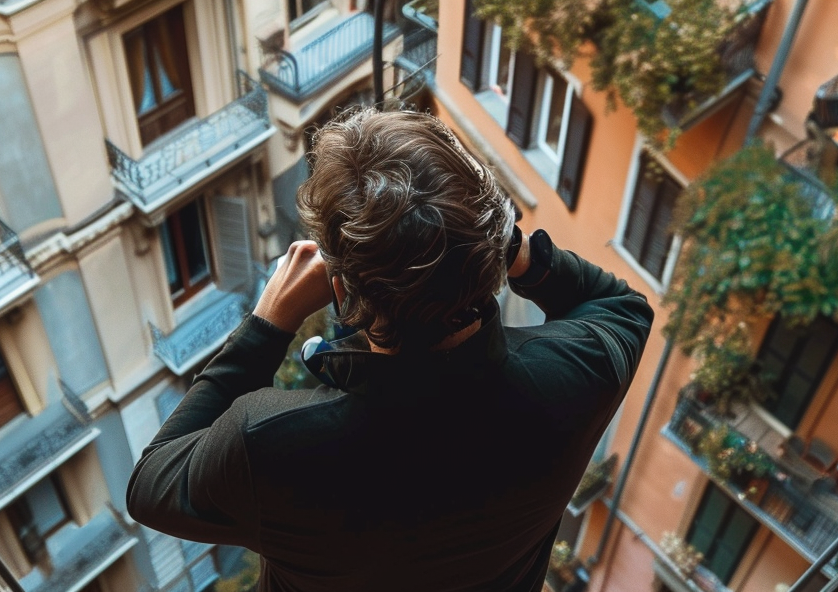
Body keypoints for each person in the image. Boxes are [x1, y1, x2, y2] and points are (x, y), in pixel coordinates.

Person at [128, 108, 652, 590]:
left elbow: (151, 483)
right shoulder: (579, 378)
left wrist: (268, 324)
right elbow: (622, 305)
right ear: (489, 251)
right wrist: (512, 247)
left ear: (338, 290)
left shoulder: (269, 445)